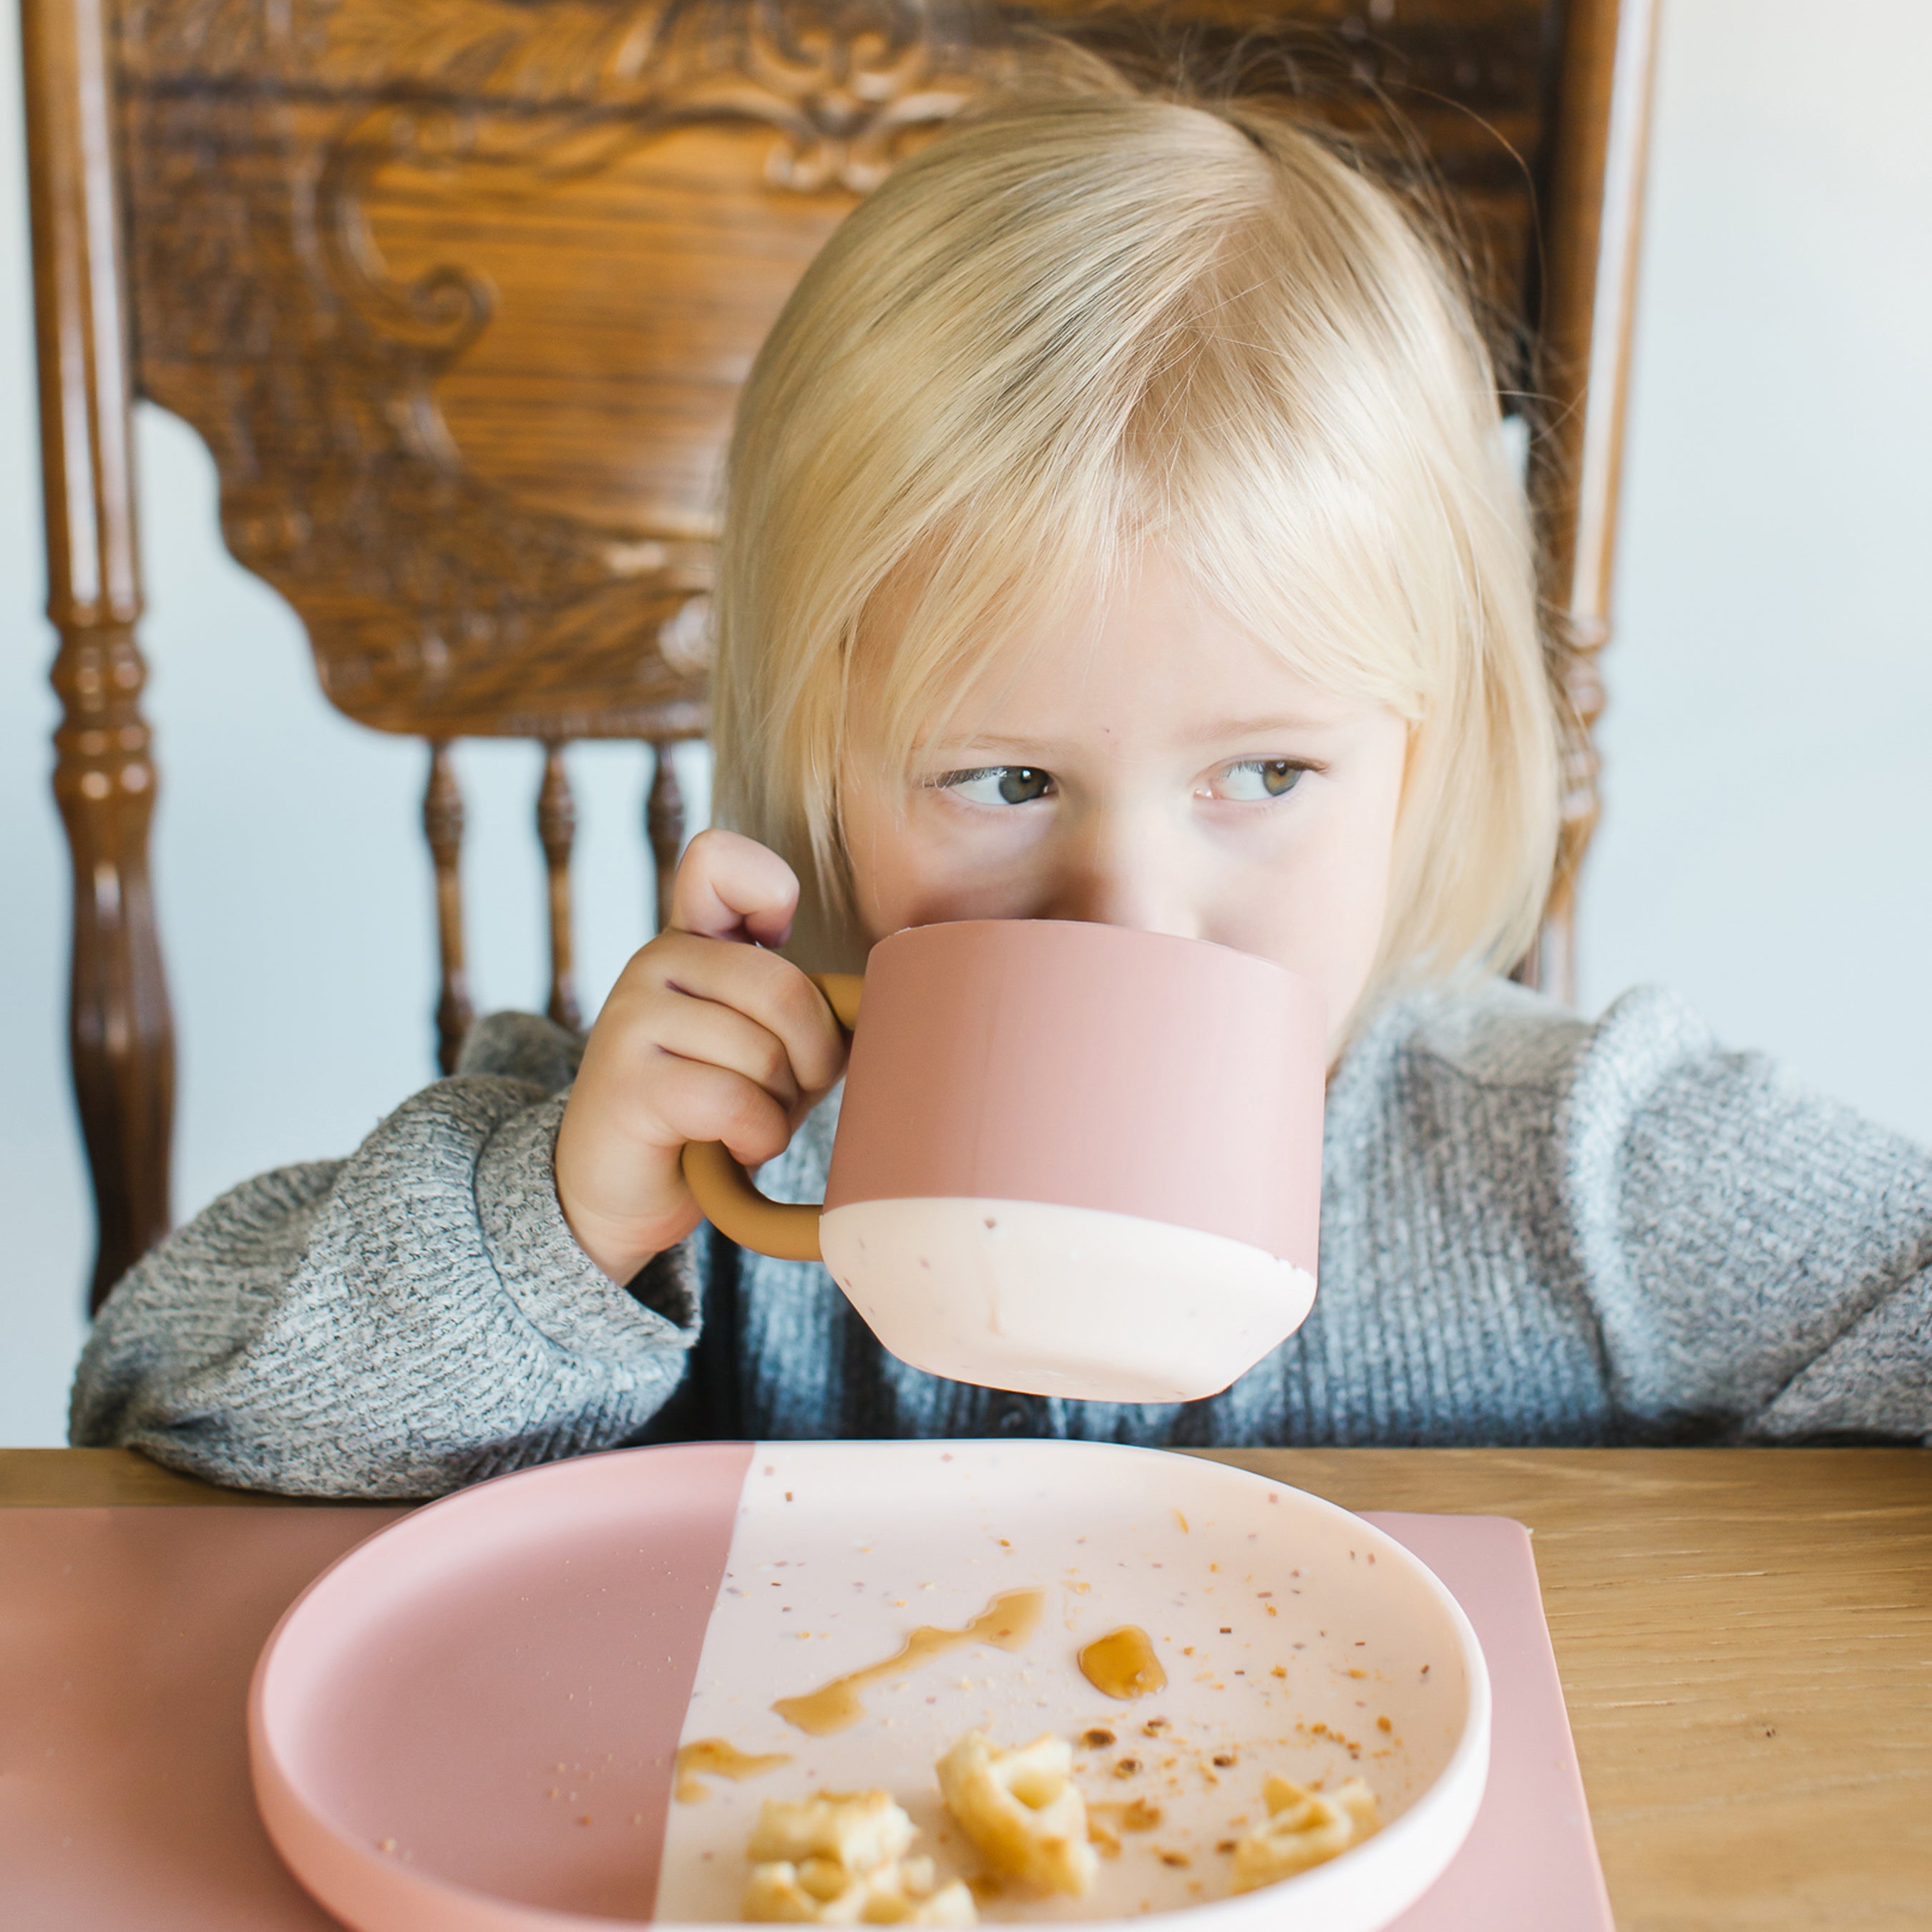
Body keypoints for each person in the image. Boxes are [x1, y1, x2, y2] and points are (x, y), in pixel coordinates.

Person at [71, 91, 1931, 1497]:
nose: (1129, 909)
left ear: (1419, 761)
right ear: (823, 765)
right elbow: (155, 1418)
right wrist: (552, 1226)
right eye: (1006, 774)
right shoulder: (688, 1162)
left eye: (1266, 771)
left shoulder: (1581, 1171)